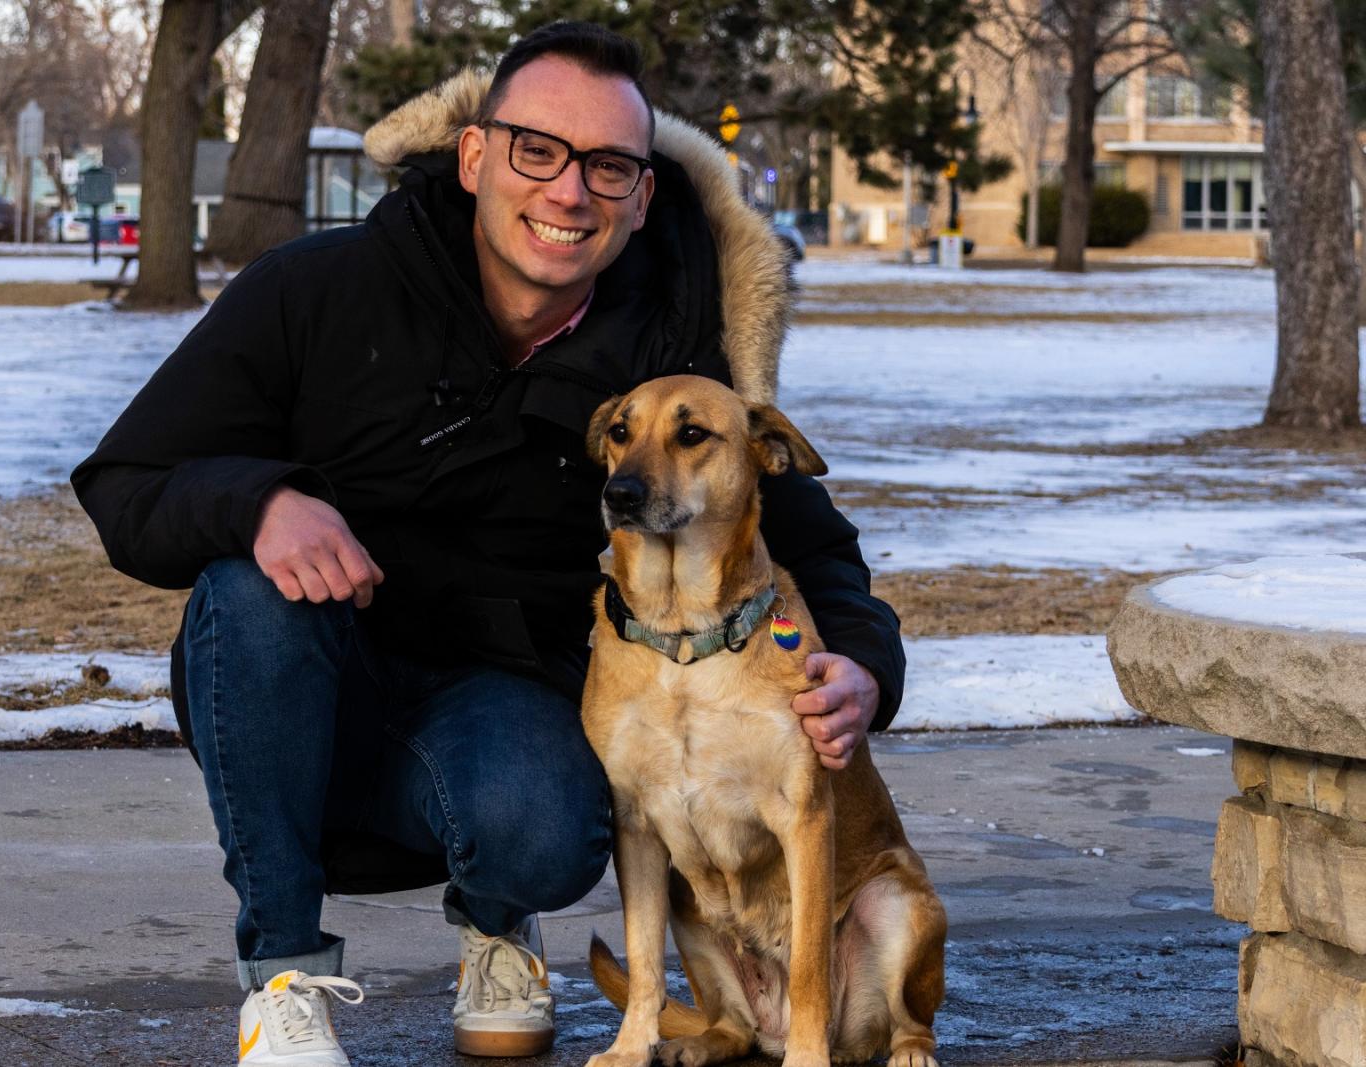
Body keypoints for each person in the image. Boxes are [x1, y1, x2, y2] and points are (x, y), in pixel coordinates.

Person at [72, 21, 904, 1067]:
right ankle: (281, 974)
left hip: (498, 704)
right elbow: (124, 483)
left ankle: (499, 919)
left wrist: (865, 667)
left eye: (608, 167)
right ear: (474, 156)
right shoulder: (314, 289)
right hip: (299, 678)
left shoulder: (662, 367)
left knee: (549, 823)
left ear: (642, 196)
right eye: (537, 151)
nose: (568, 192)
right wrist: (259, 500)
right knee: (251, 596)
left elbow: (810, 545)